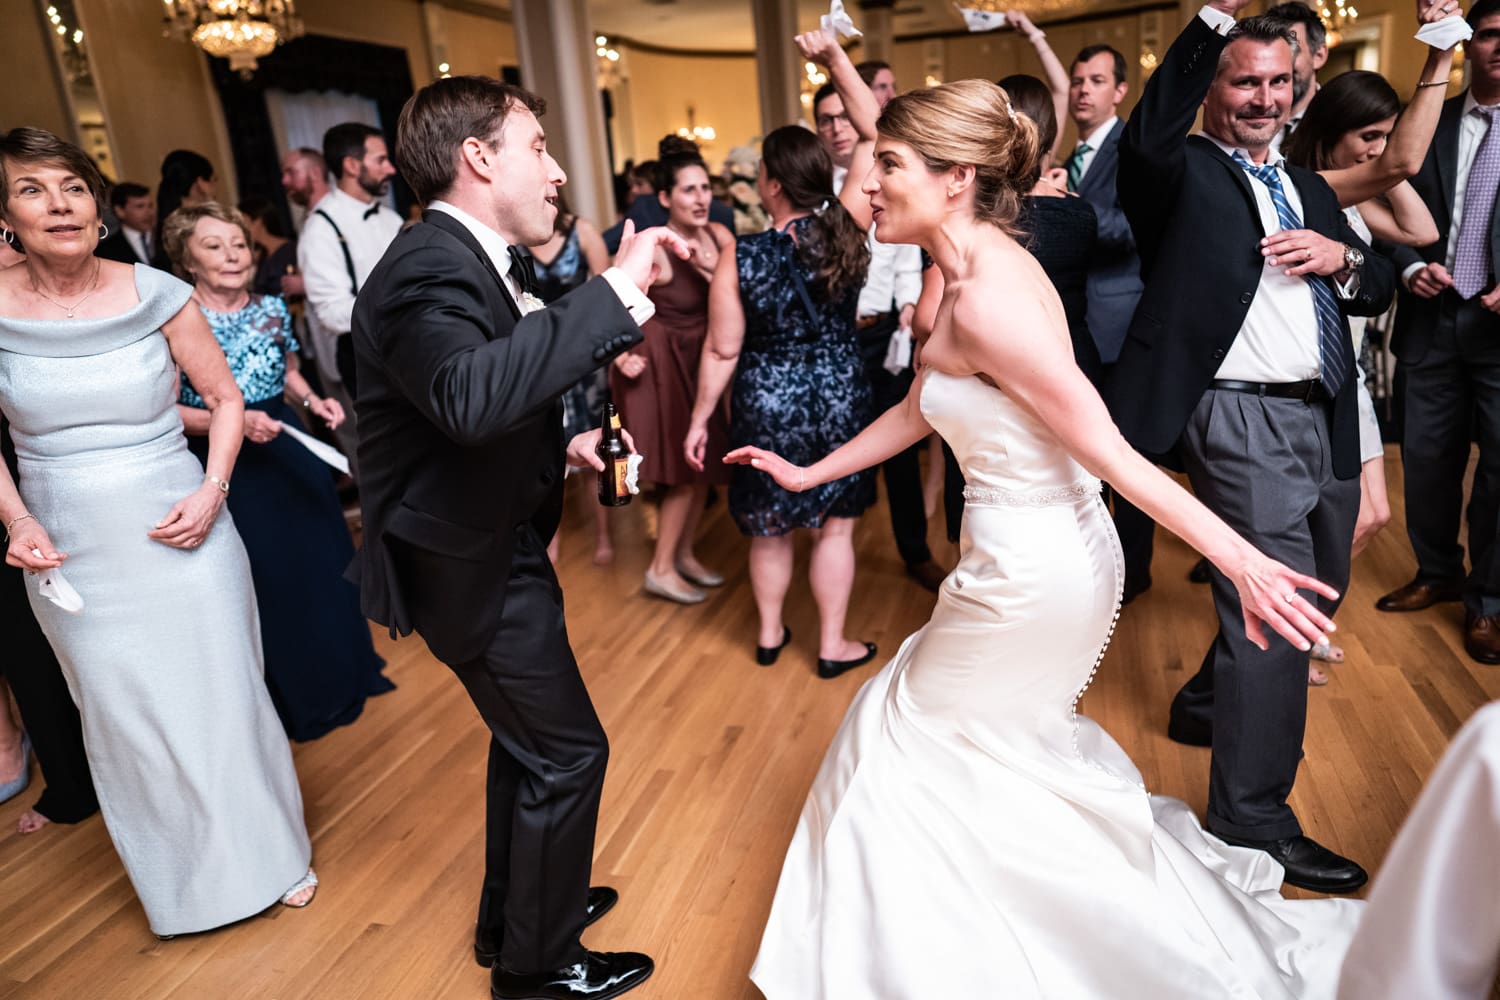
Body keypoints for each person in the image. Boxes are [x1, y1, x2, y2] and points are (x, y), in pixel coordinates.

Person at [745, 68, 1363, 999]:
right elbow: (922, 407)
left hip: (1039, 568)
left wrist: (1244, 561)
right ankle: (999, 936)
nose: (868, 185)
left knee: (906, 732)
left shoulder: (991, 297)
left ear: (955, 178)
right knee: (975, 752)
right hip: (1014, 554)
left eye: (891, 165)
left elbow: (1113, 454)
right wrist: (812, 471)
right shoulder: (963, 274)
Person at [351, 75, 686, 999]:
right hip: (468, 559)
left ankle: (518, 917)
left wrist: (560, 440)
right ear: (479, 158)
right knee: (569, 752)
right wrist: (617, 289)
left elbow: (482, 385)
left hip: (492, 537)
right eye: (538, 146)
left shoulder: (472, 255)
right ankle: (536, 974)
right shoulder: (426, 264)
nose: (557, 169)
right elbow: (463, 397)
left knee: (526, 743)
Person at [0, 127, 315, 936]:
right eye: (32, 189)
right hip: (71, 550)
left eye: (71, 186)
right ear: (7, 214)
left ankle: (275, 855)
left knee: (224, 696)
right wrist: (17, 517)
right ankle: (181, 884)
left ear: (97, 204)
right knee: (125, 715)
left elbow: (228, 403)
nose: (58, 204)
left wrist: (212, 493)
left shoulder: (158, 292)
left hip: (184, 526)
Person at [1111, 6, 1393, 892]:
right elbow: (1155, 122)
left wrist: (1339, 259)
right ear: (1213, 89)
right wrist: (1210, 21)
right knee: (1279, 622)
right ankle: (1253, 817)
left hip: (1326, 413)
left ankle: (1206, 704)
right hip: (1237, 418)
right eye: (1244, 81)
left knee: (1322, 588)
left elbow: (1375, 279)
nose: (1263, 98)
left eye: (1278, 82)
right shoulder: (1178, 169)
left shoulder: (1309, 187)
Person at [165, 201, 393, 741]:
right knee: (270, 579)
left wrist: (316, 404)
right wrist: (236, 423)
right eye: (213, 246)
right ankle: (297, 698)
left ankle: (347, 673)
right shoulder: (176, 318)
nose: (231, 256)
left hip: (288, 444)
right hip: (227, 462)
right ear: (187, 260)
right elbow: (165, 410)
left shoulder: (269, 307)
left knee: (328, 561)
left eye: (239, 244)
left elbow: (287, 371)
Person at [1281, 13, 1459, 675]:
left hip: (1351, 373)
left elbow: (1420, 228)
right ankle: (1294, 633)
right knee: (1340, 519)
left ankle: (1302, 620)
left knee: (1370, 517)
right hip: (1316, 376)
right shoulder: (1308, 190)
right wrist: (1386, 158)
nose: (1378, 147)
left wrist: (1380, 161)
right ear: (1330, 132)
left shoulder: (1360, 195)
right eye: (1368, 134)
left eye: (1384, 136)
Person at [684, 97, 879, 678]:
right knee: (835, 528)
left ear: (769, 184)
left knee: (770, 527)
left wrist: (698, 420)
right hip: (841, 394)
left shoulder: (737, 256)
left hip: (766, 398)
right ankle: (832, 645)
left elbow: (722, 348)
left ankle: (770, 637)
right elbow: (871, 136)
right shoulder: (847, 232)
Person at [1374, 0, 1500, 665]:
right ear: (1468, 43)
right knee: (1425, 461)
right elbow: (1385, 200)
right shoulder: (1431, 124)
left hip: (1499, 333)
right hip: (1432, 317)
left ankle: (1490, 600)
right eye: (1489, 35)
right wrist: (1412, 262)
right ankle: (1436, 572)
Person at [612, 154, 731, 603]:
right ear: (665, 198)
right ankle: (660, 569)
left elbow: (734, 290)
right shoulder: (654, 244)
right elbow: (613, 300)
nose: (701, 198)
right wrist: (620, 355)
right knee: (682, 471)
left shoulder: (718, 234)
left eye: (705, 188)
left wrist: (708, 266)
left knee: (702, 467)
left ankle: (683, 555)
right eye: (688, 190)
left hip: (702, 357)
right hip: (660, 360)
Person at [298, 122, 401, 476]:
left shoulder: (391, 219)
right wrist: (402, 306)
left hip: (412, 344)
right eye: (381, 159)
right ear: (352, 165)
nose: (391, 168)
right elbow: (331, 313)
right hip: (365, 356)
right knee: (395, 454)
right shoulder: (321, 229)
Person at [532, 190, 616, 566]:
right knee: (545, 449)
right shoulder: (518, 240)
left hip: (584, 359)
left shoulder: (581, 231)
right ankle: (552, 538)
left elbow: (606, 295)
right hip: (538, 358)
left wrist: (615, 353)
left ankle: (603, 536)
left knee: (592, 447)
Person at [1265, 1, 1332, 154]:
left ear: (1319, 56)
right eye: (1273, 54)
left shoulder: (1338, 121)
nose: (1280, 67)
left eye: (1291, 51)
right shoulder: (1249, 118)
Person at [153, 149, 216, 270]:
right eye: (214, 180)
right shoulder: (198, 222)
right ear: (200, 183)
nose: (215, 187)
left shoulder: (166, 218)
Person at [238, 197, 301, 297]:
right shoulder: (261, 256)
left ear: (259, 222)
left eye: (244, 223)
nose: (241, 230)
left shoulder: (291, 251)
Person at [96, 181, 155, 265]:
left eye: (150, 205)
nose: (149, 212)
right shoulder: (105, 251)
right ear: (120, 211)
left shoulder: (165, 237)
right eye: (140, 206)